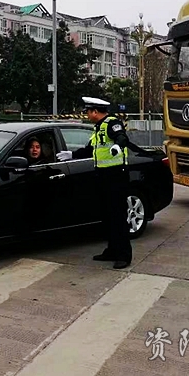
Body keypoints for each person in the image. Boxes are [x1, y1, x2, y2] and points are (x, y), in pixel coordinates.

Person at [56, 97, 132, 269]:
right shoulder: (98, 130)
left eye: (88, 112)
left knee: (118, 217)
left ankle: (124, 255)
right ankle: (112, 250)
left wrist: (118, 147)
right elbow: (90, 149)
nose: (87, 115)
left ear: (95, 112)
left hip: (116, 177)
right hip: (103, 177)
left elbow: (122, 137)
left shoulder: (112, 123)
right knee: (107, 216)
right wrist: (72, 155)